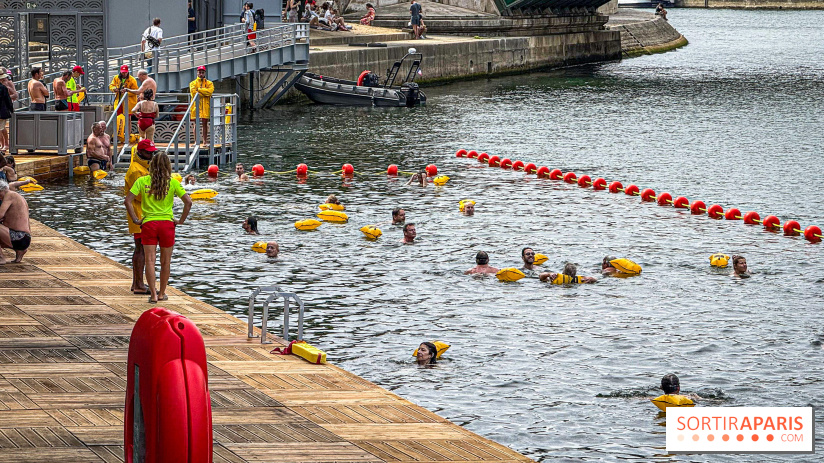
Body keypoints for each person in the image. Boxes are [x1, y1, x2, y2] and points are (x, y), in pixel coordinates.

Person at [125, 152, 193, 303]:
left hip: (149, 223)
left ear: (152, 165)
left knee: (150, 260)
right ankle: (162, 293)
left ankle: (153, 295)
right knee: (165, 262)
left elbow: (128, 201)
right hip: (167, 224)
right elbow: (188, 202)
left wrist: (136, 219)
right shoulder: (173, 182)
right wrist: (180, 220)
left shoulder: (142, 181)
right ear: (168, 166)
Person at [124, 139, 157, 295]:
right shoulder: (136, 170)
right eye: (149, 152)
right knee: (141, 248)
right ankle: (138, 284)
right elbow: (139, 195)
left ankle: (137, 283)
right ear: (141, 152)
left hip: (142, 212)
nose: (152, 154)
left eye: (152, 151)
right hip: (138, 212)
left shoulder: (143, 166)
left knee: (141, 248)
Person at [0, 179, 31, 264]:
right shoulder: (19, 197)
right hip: (25, 238)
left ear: (1, 190)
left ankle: (1, 258)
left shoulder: (9, 195)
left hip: (19, 237)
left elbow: (0, 214)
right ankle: (19, 251)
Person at [189, 66, 214, 145]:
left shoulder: (209, 83)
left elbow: (210, 92)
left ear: (205, 73)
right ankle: (196, 141)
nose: (201, 74)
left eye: (202, 72)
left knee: (205, 123)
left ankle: (205, 141)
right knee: (196, 123)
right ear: (197, 73)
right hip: (196, 105)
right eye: (199, 72)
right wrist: (204, 92)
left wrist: (199, 90)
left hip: (206, 106)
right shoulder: (193, 83)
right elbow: (193, 93)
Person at [0, 72, 13, 153]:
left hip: (2, 111)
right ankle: (4, 144)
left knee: (1, 128)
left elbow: (7, 99)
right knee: (1, 128)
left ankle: (5, 144)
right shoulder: (3, 87)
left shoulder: (3, 87)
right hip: (2, 110)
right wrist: (11, 109)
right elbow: (8, 100)